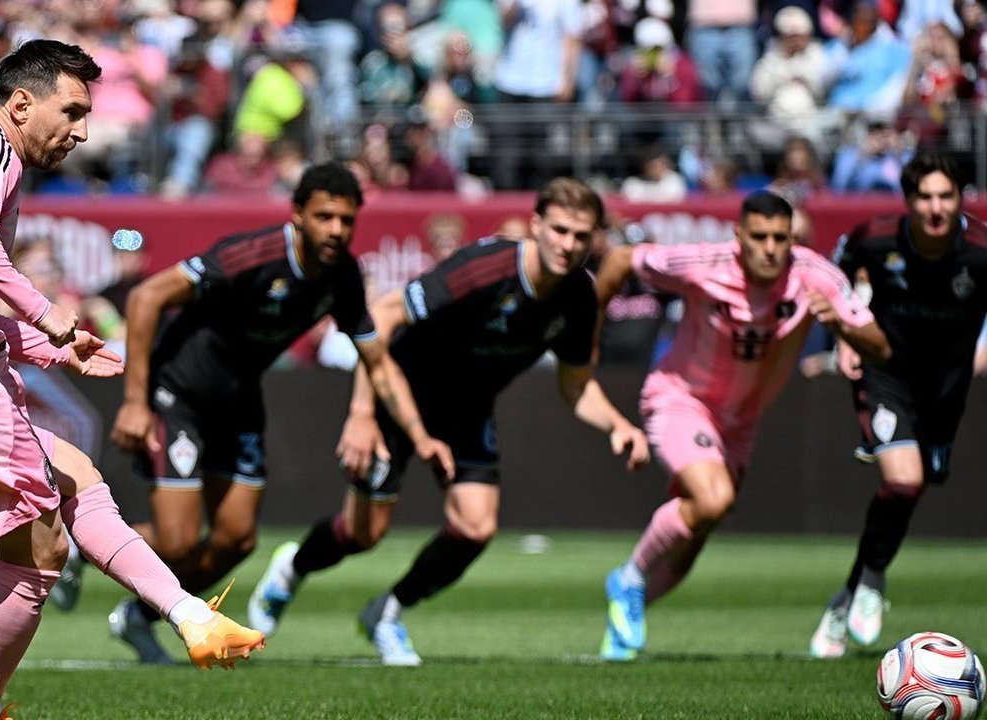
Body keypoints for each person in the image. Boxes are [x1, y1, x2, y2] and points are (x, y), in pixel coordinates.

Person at [0, 39, 264, 720]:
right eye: (71, 111)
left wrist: (48, 347)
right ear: (20, 103)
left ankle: (189, 613)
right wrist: (44, 309)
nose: (84, 131)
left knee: (75, 476)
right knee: (41, 551)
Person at [247, 177, 652, 666]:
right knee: (363, 534)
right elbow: (384, 314)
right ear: (537, 225)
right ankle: (291, 570)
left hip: (468, 407)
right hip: (399, 396)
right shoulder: (485, 268)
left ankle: (387, 613)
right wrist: (361, 413)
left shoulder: (579, 297)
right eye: (560, 230)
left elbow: (575, 382)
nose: (568, 245)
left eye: (580, 236)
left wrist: (618, 425)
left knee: (477, 527)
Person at [89, 162, 454, 665]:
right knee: (174, 542)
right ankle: (76, 537)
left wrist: (418, 433)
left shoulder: (343, 275)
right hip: (181, 394)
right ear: (298, 213)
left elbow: (377, 361)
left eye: (347, 220)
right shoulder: (251, 254)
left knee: (236, 540)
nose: (336, 230)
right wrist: (134, 401)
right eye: (325, 217)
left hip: (239, 403)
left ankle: (138, 617)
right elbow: (147, 297)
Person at [595, 190, 891, 662]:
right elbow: (621, 259)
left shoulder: (814, 275)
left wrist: (842, 324)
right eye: (759, 237)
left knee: (694, 535)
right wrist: (586, 339)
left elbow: (880, 344)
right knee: (712, 499)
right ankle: (627, 579)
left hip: (742, 422)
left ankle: (628, 612)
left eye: (780, 238)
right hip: (680, 398)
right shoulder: (703, 262)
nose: (771, 248)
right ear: (739, 237)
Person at [809, 151, 987, 659]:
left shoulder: (980, 250)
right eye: (925, 196)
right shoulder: (876, 237)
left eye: (945, 196)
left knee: (909, 493)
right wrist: (846, 332)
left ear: (960, 199)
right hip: (885, 373)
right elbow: (835, 277)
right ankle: (869, 583)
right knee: (902, 480)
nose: (935, 207)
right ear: (909, 201)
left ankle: (850, 593)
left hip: (946, 390)